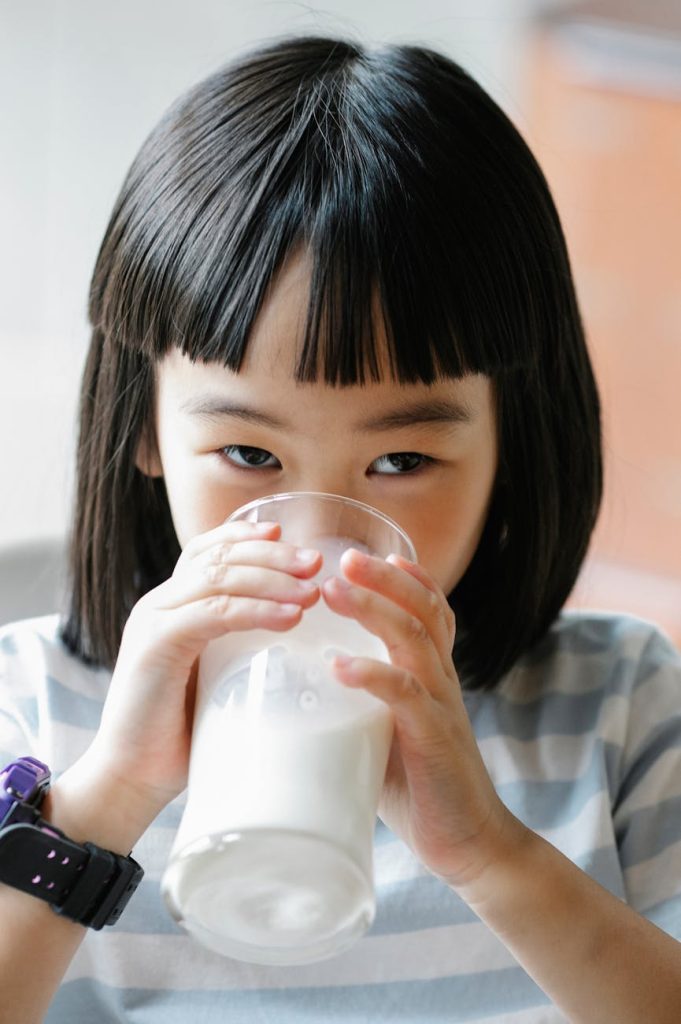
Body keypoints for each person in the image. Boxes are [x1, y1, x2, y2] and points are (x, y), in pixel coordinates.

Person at [1, 33, 680, 1024]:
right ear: (146, 428)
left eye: (401, 463)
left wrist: (491, 852)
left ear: (512, 448)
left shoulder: (618, 706)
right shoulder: (34, 707)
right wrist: (105, 800)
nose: (321, 546)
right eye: (251, 456)